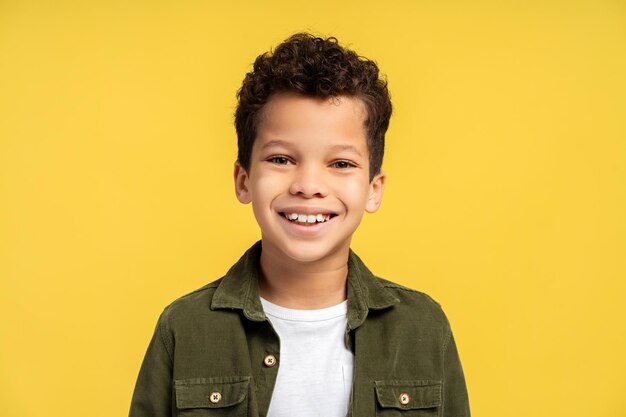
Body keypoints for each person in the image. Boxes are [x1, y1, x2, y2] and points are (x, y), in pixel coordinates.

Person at [128, 32, 470, 417]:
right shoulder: (185, 328)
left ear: (374, 190)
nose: (308, 186)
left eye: (341, 164)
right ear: (243, 181)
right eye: (281, 159)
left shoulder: (422, 328)